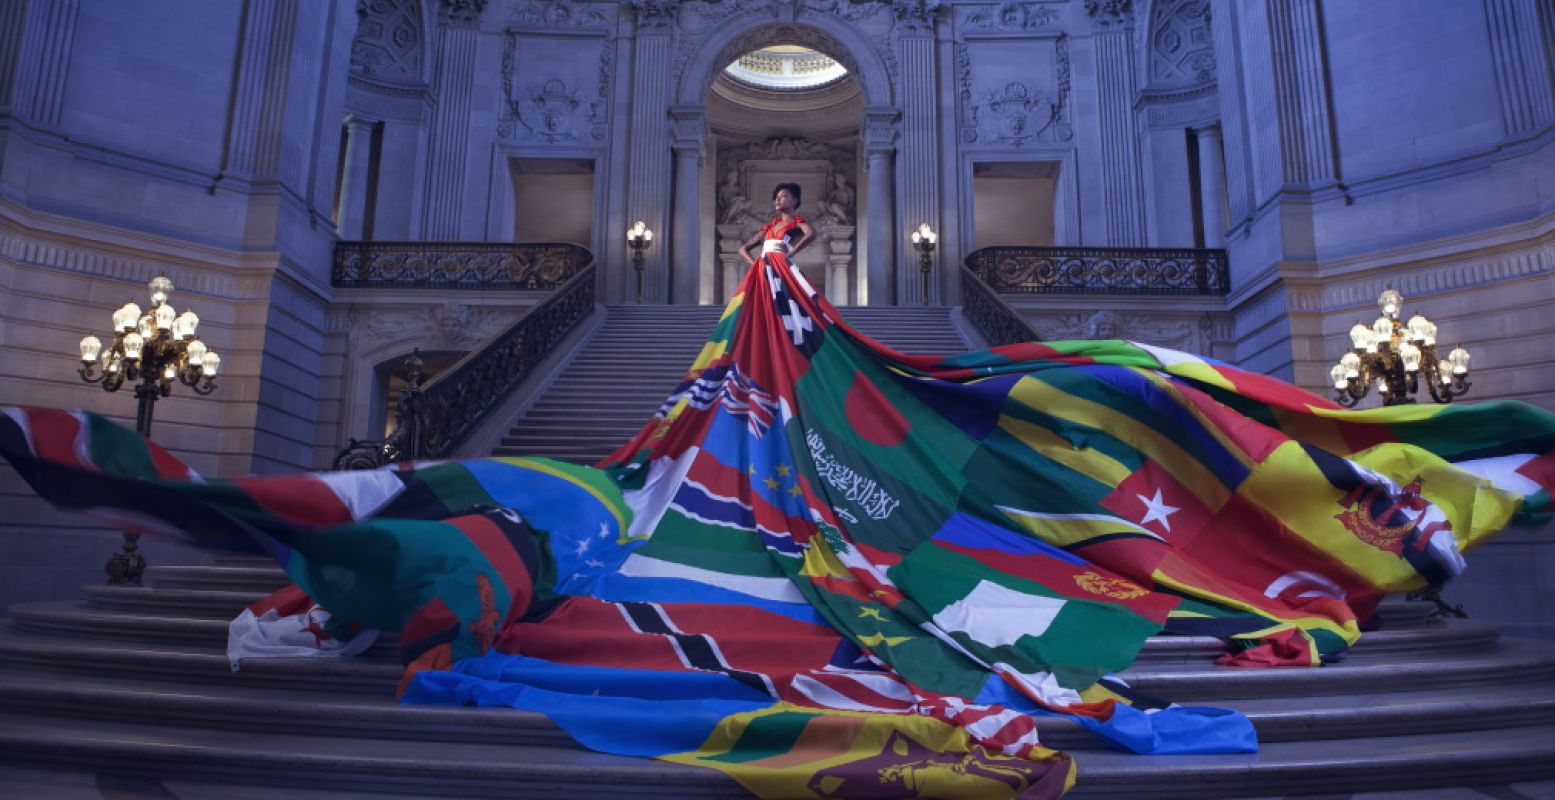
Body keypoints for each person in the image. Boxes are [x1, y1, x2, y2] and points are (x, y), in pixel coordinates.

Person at [737, 182, 816, 266]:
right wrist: (755, 265)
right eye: (776, 197)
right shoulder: (768, 228)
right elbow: (742, 249)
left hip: (781, 265)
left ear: (794, 201)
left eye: (783, 196)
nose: (777, 200)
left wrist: (789, 254)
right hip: (764, 267)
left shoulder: (797, 223)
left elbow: (811, 234)